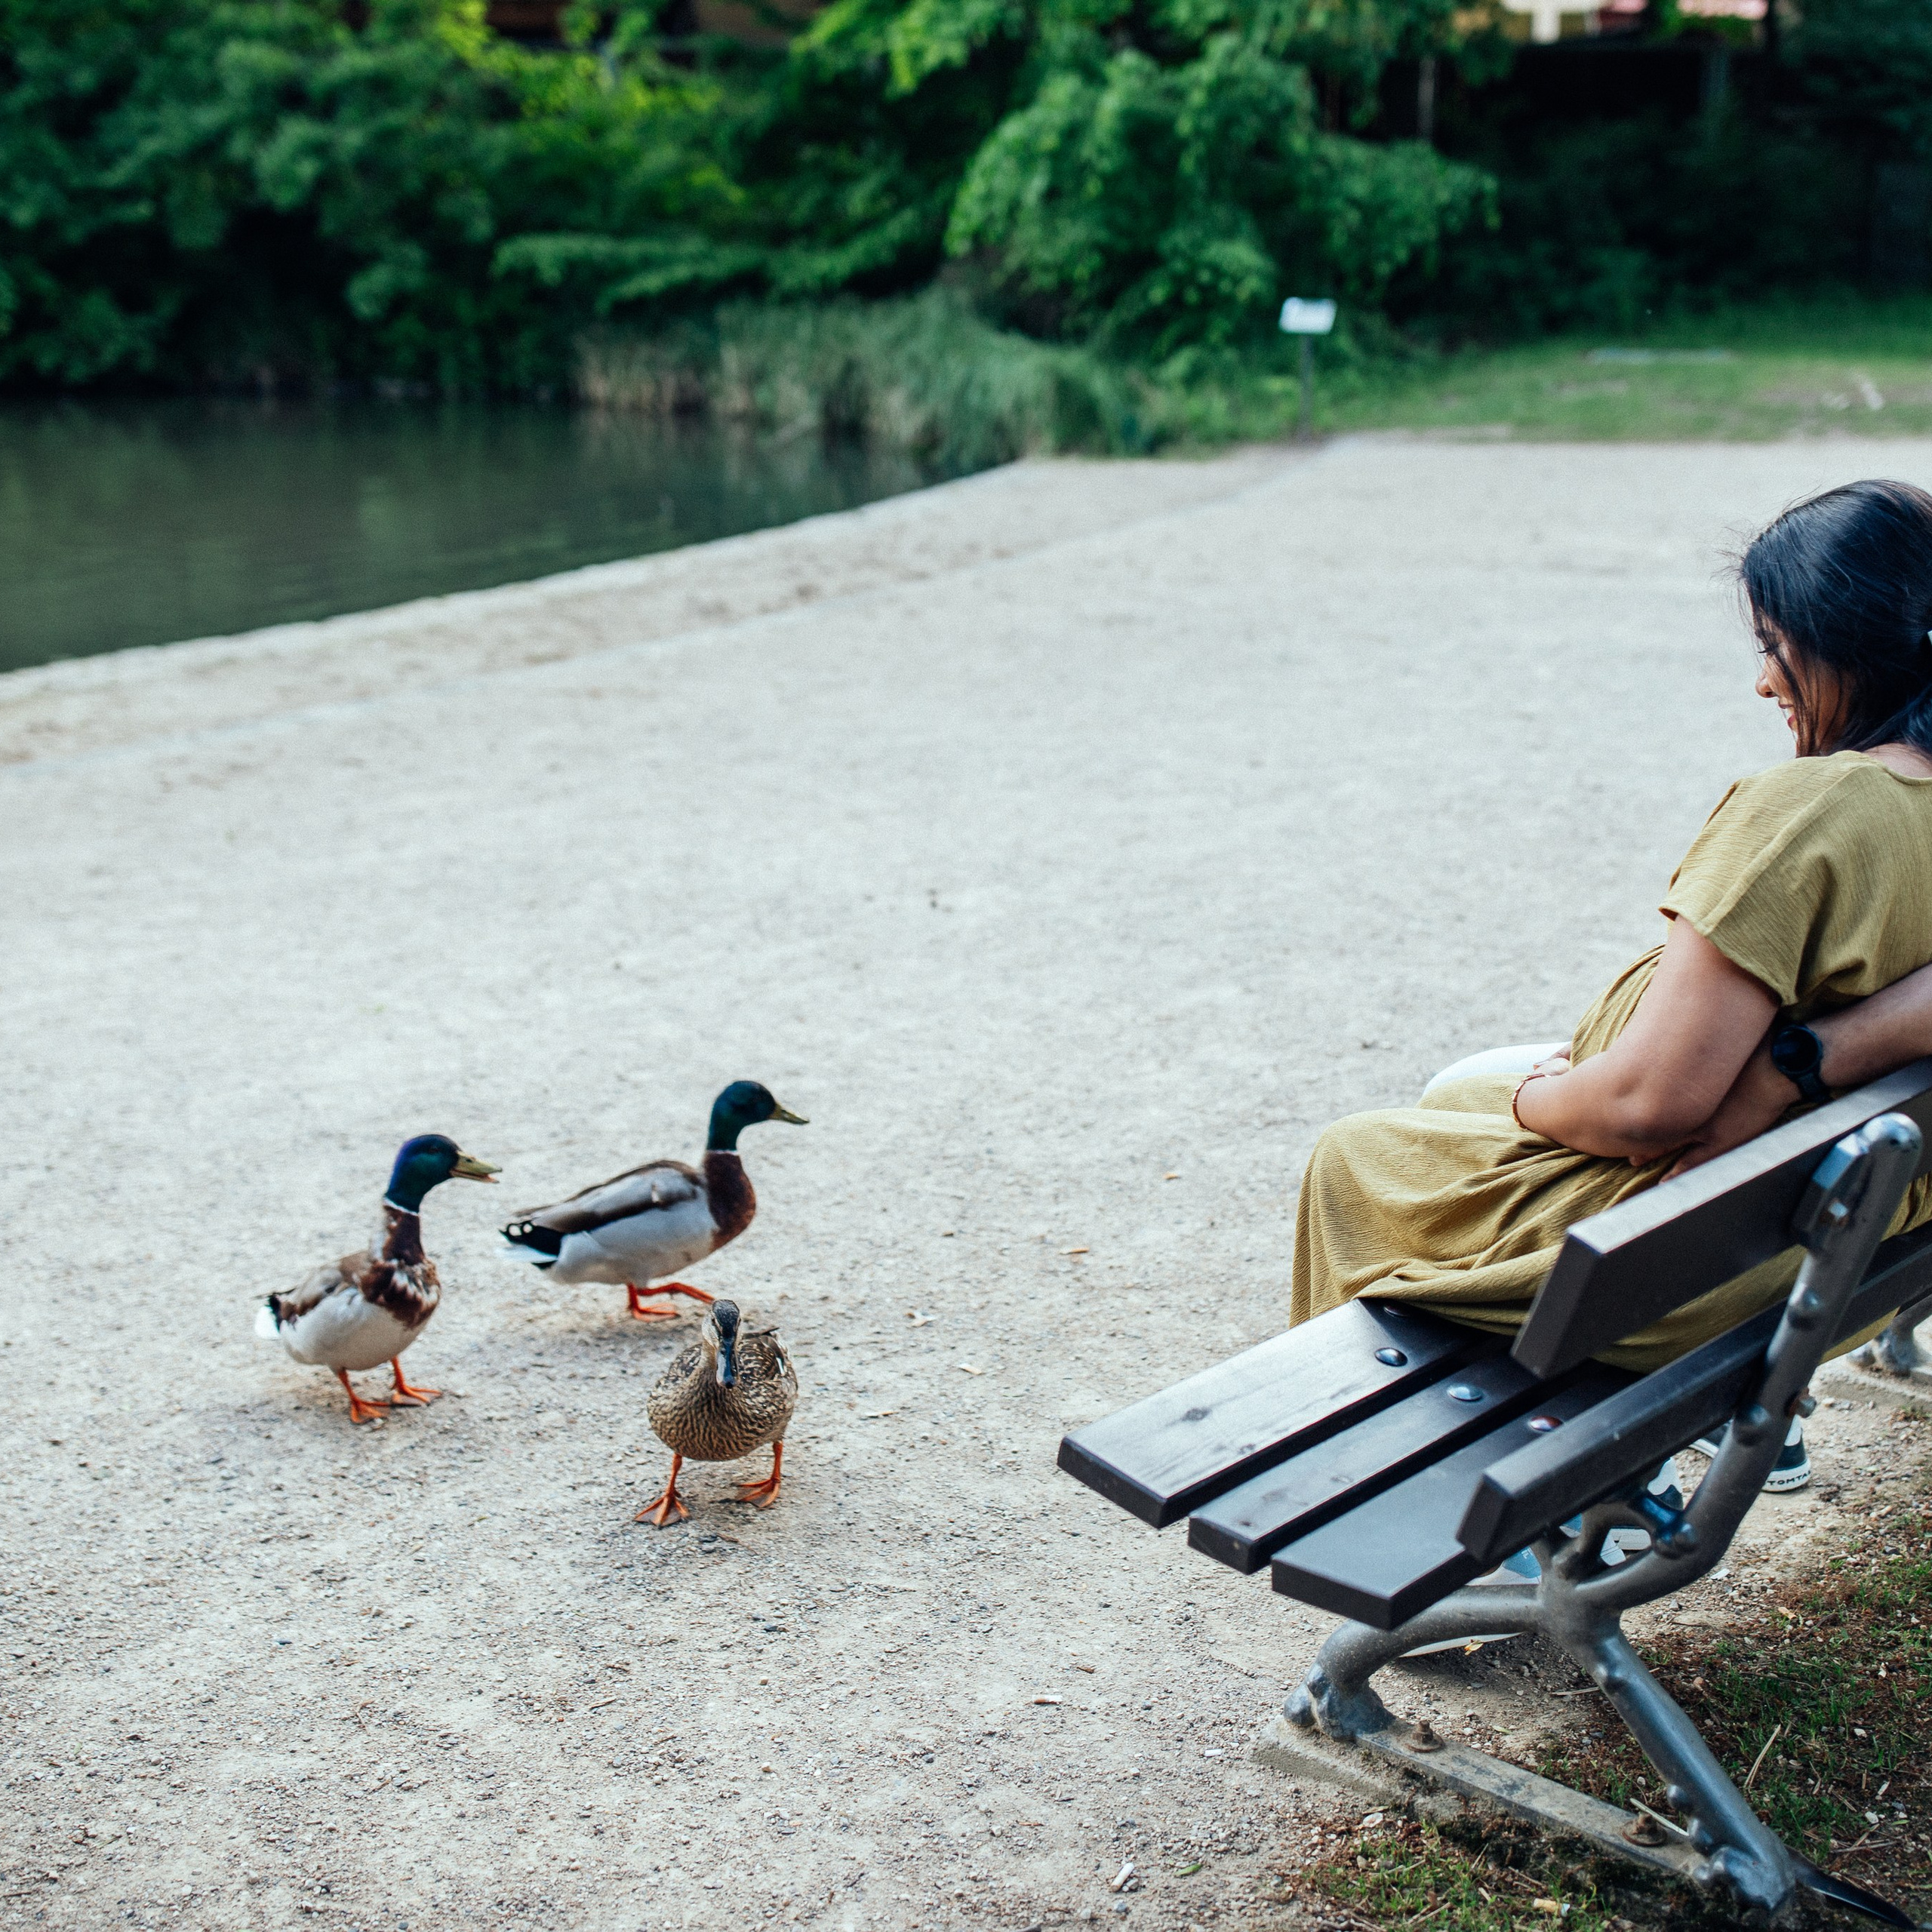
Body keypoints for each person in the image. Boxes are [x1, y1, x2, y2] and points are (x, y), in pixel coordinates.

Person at [1292, 478, 1932, 1376]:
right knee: (1452, 1098)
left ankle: (1361, 1441)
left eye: (1775, 647)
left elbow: (1648, 1105)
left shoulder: (1814, 808)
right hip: (1830, 1228)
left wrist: (1539, 1097)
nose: (1762, 682)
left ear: (1849, 645)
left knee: (1353, 1157)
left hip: (1672, 1251)